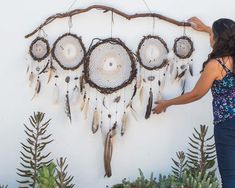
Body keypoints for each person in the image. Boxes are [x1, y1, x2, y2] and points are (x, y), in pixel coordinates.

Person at [152, 17, 235, 188]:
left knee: (230, 176)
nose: (210, 37)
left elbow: (196, 94)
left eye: (213, 34)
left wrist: (167, 103)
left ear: (218, 38)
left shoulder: (217, 65)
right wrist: (206, 28)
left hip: (228, 125)